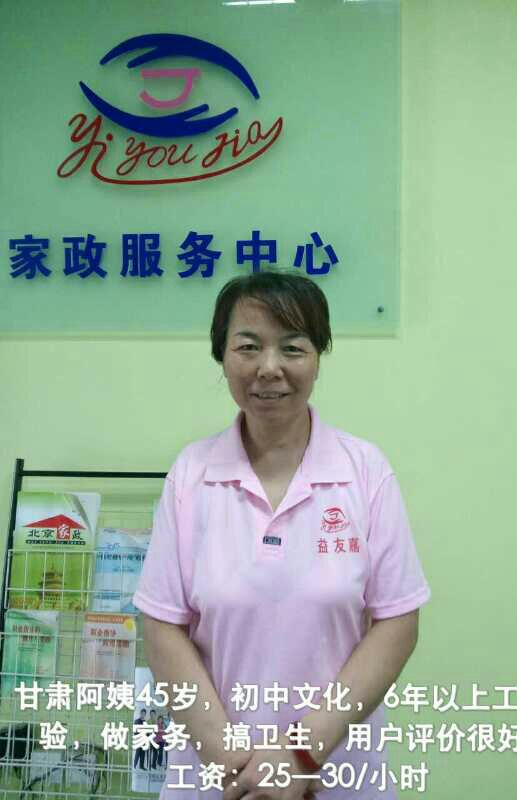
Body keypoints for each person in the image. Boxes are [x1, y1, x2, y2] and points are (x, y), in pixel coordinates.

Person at [133, 271, 431, 800]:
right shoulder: (191, 473)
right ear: (222, 355)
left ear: (318, 357)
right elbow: (162, 627)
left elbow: (397, 622)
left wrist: (300, 755)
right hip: (219, 780)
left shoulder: (364, 471)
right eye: (248, 346)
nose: (269, 367)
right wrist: (236, 765)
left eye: (292, 347)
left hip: (336, 774)